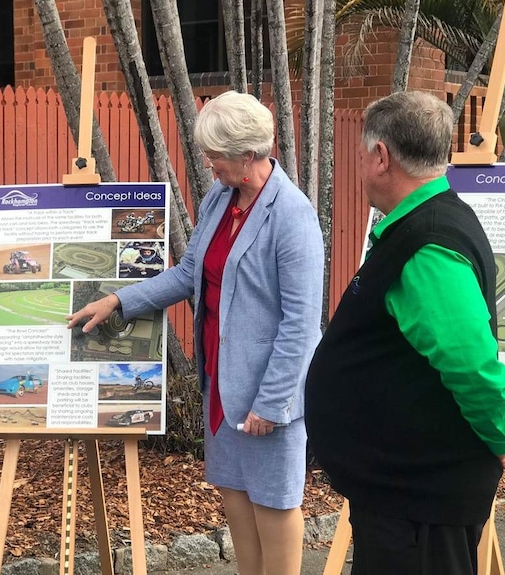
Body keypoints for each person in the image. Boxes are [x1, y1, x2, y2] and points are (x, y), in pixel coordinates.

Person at [68, 90, 324, 575]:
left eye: (216, 156)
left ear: (249, 155)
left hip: (267, 397)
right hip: (220, 387)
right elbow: (188, 273)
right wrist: (119, 299)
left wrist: (272, 403)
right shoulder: (219, 199)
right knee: (238, 507)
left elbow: (301, 324)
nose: (208, 165)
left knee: (274, 508)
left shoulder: (292, 216)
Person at [305, 91, 505, 575]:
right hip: (402, 493)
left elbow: (470, 361)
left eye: (362, 155)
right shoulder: (421, 224)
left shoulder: (427, 245)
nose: (361, 165)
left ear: (382, 156)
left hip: (421, 502)